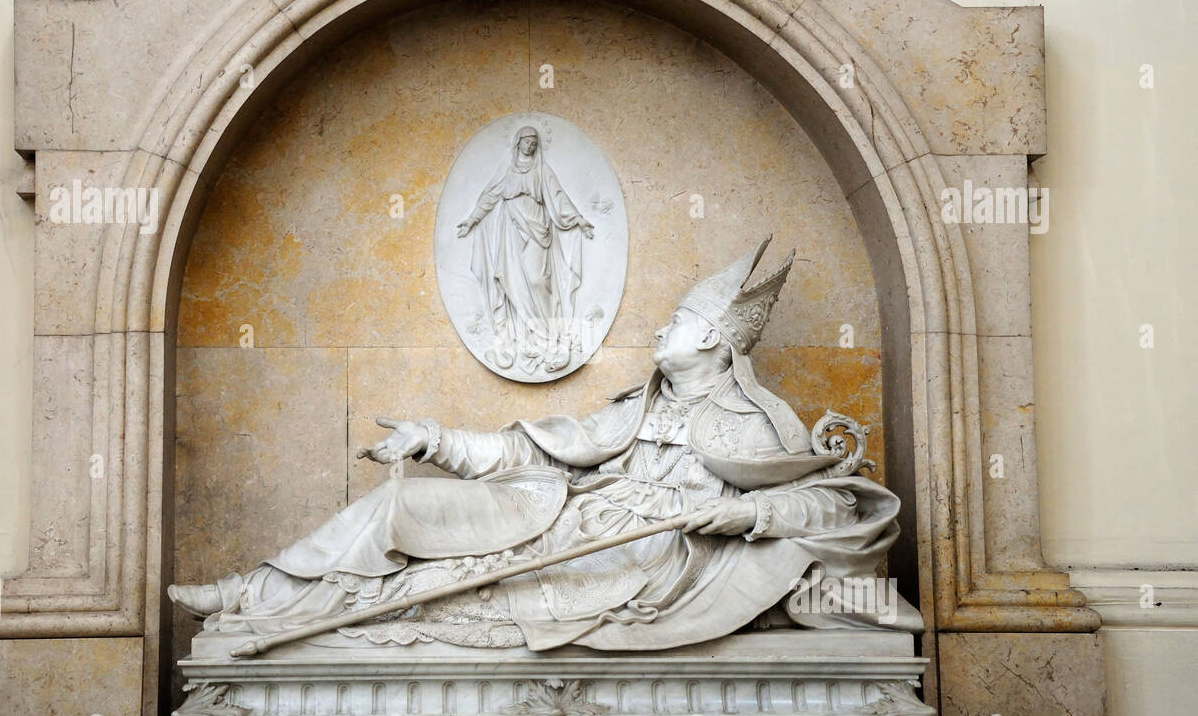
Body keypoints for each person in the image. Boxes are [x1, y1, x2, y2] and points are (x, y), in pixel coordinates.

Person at [169, 237, 922, 651]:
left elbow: (831, 502)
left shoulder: (761, 421)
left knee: (441, 584)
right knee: (406, 505)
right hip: (560, 513)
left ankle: (278, 617)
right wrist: (434, 438)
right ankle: (255, 593)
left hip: (641, 557)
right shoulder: (634, 406)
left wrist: (745, 517)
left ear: (720, 342)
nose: (661, 330)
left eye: (680, 322)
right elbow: (535, 451)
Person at [456, 126, 593, 373]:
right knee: (513, 281)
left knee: (537, 280)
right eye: (526, 142)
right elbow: (489, 197)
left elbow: (558, 196)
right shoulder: (507, 171)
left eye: (533, 143)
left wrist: (578, 218)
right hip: (511, 228)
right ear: (518, 143)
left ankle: (549, 333)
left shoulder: (542, 171)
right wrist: (472, 219)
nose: (529, 146)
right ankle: (527, 337)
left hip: (538, 229)